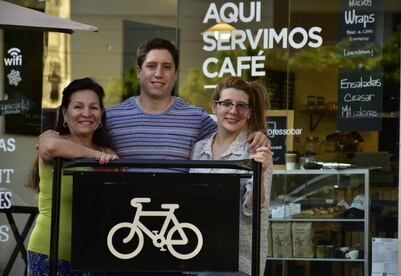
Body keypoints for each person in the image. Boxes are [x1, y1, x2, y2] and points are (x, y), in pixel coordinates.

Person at [105, 37, 269, 171]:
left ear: (175, 74)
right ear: (138, 71)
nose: (159, 73)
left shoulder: (196, 118)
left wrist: (257, 134)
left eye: (167, 67)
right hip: (123, 211)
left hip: (176, 211)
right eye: (151, 66)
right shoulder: (112, 118)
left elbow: (230, 132)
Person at [27, 77, 118, 275]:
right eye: (78, 107)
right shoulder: (52, 139)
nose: (86, 113)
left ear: (101, 115)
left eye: (94, 107)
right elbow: (50, 147)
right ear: (65, 113)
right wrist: (95, 156)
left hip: (92, 261)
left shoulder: (108, 152)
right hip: (49, 255)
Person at [190, 76, 273, 276]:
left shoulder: (256, 151)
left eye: (241, 106)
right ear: (214, 106)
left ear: (249, 113)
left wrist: (260, 173)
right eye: (227, 103)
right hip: (197, 257)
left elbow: (254, 211)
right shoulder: (198, 149)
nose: (233, 111)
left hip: (237, 262)